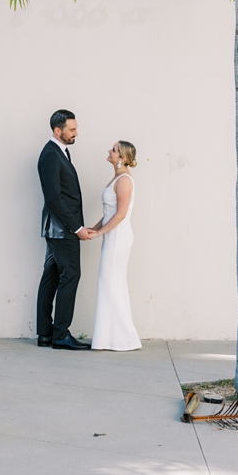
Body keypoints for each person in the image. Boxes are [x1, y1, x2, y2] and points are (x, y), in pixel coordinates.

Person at [36, 109, 93, 350]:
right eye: (72, 129)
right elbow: (54, 198)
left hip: (57, 230)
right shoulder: (50, 155)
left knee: (51, 277)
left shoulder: (59, 152)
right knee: (70, 276)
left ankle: (46, 334)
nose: (76, 133)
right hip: (62, 230)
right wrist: (76, 227)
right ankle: (60, 334)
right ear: (57, 130)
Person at [88, 141, 141, 351]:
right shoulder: (117, 177)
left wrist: (101, 232)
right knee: (109, 283)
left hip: (119, 236)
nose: (109, 151)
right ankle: (109, 337)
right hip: (112, 235)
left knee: (111, 282)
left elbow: (120, 214)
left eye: (113, 150)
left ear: (123, 158)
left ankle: (122, 338)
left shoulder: (125, 180)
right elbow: (109, 213)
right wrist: (95, 228)